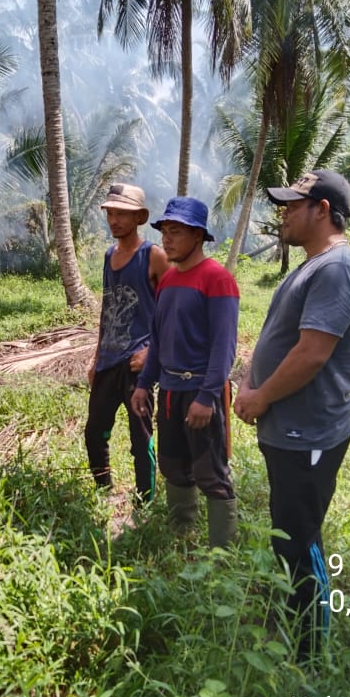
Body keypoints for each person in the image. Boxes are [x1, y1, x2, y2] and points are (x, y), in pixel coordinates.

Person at [233, 169, 350, 661]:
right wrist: (250, 383)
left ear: (322, 210)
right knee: (289, 535)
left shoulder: (337, 269)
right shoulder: (309, 266)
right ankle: (297, 620)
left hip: (308, 431)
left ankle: (311, 654)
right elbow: (279, 335)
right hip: (288, 429)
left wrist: (262, 396)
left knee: (300, 540)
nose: (284, 212)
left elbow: (312, 354)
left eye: (294, 204)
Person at [129, 197, 239, 547]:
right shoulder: (169, 280)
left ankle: (222, 553)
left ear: (197, 236)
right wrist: (144, 384)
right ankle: (181, 537)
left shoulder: (217, 279)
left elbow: (225, 346)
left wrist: (207, 396)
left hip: (201, 390)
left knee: (210, 472)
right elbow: (159, 340)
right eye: (165, 232)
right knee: (173, 465)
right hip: (171, 391)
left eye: (176, 232)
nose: (167, 239)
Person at [85, 184, 169, 503]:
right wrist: (96, 358)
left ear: (138, 218)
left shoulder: (153, 256)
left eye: (122, 213)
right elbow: (108, 310)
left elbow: (171, 309)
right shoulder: (110, 256)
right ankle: (103, 491)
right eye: (111, 213)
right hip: (108, 361)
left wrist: (152, 353)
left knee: (141, 438)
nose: (114, 220)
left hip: (137, 367)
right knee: (95, 432)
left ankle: (143, 502)